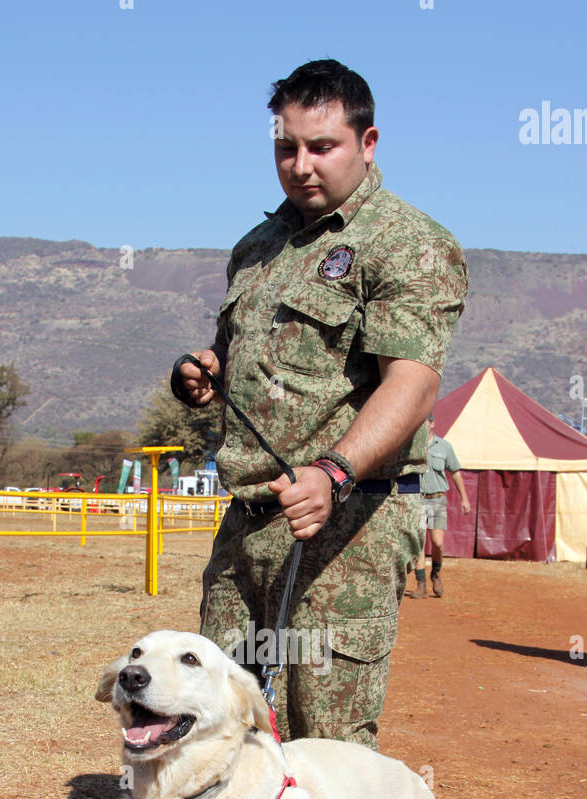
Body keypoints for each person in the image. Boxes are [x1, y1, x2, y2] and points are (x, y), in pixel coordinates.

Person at [176, 58, 468, 747]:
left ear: (368, 144)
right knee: (215, 729)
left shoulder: (408, 244)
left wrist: (334, 472)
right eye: (286, 147)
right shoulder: (258, 247)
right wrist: (206, 371)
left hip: (348, 527)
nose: (300, 164)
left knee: (325, 750)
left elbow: (413, 382)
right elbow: (244, 355)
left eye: (322, 146)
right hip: (247, 524)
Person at [405, 414, 470, 597]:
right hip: (417, 500)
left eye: (426, 422)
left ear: (432, 423)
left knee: (437, 543)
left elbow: (455, 472)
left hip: (437, 499)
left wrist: (464, 498)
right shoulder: (411, 445)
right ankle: (421, 584)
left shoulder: (444, 446)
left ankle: (436, 573)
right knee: (419, 544)